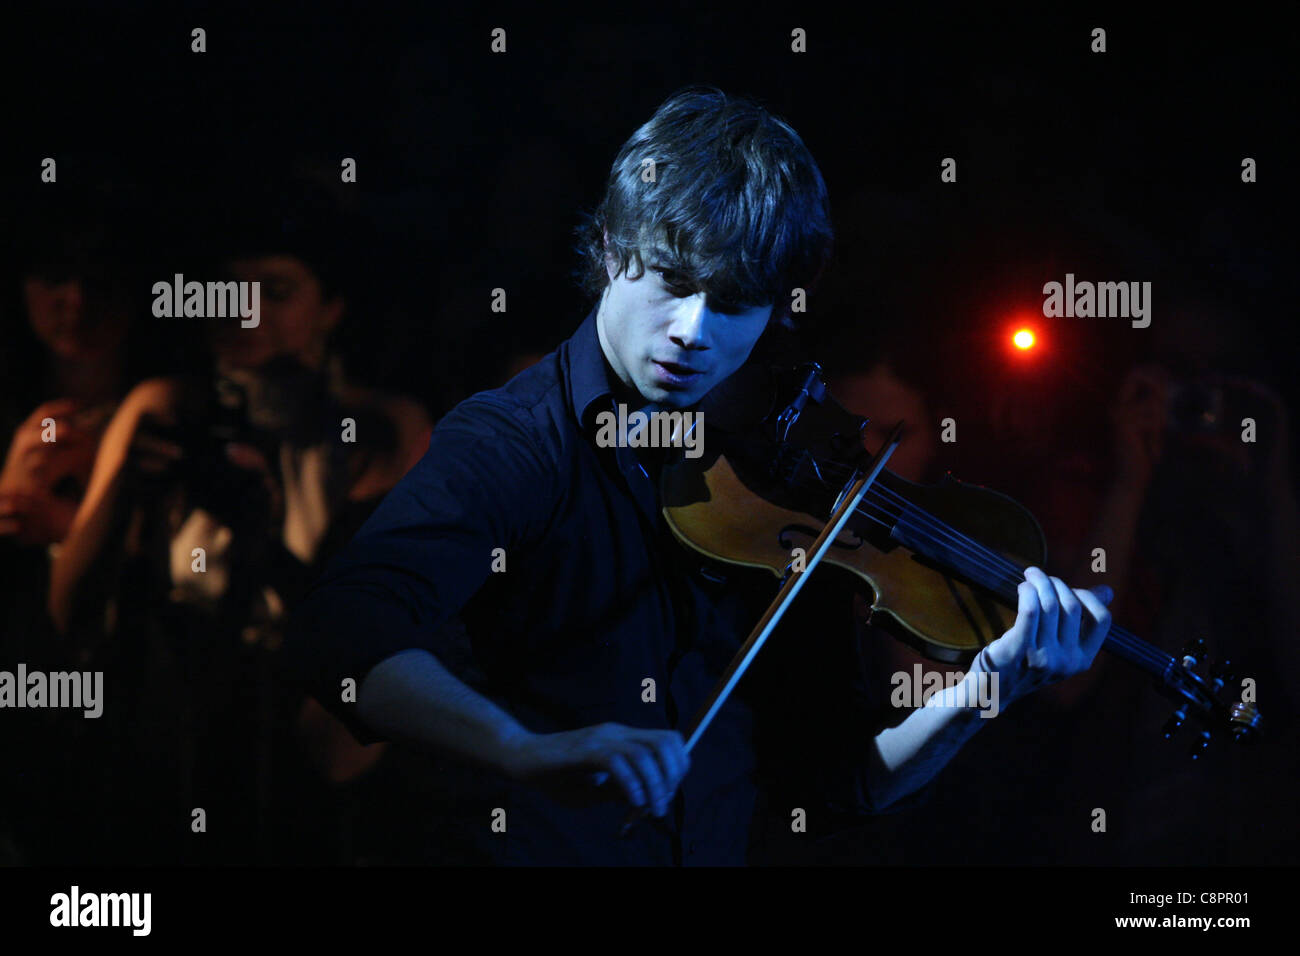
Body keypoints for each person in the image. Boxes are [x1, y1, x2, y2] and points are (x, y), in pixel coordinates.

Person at [285, 86, 1114, 866]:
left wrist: (984, 691)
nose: (693, 332)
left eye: (734, 304)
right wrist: (526, 750)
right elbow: (344, 633)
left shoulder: (784, 472)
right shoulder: (516, 441)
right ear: (612, 250)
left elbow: (844, 783)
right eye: (674, 285)